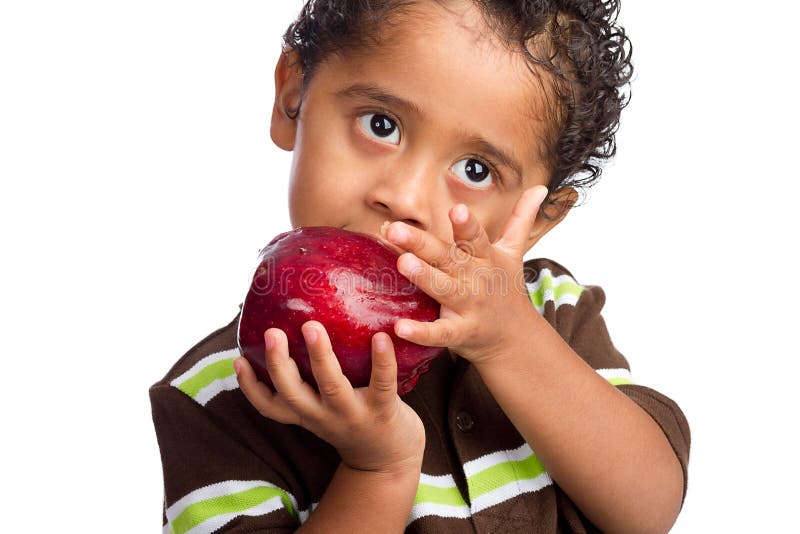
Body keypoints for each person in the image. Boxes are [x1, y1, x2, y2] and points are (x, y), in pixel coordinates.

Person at [150, 1, 690, 532]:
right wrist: (378, 469)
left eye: (475, 169)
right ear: (293, 97)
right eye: (381, 124)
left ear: (540, 217)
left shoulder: (547, 310)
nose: (405, 198)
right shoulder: (216, 398)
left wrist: (510, 341)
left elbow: (646, 511)